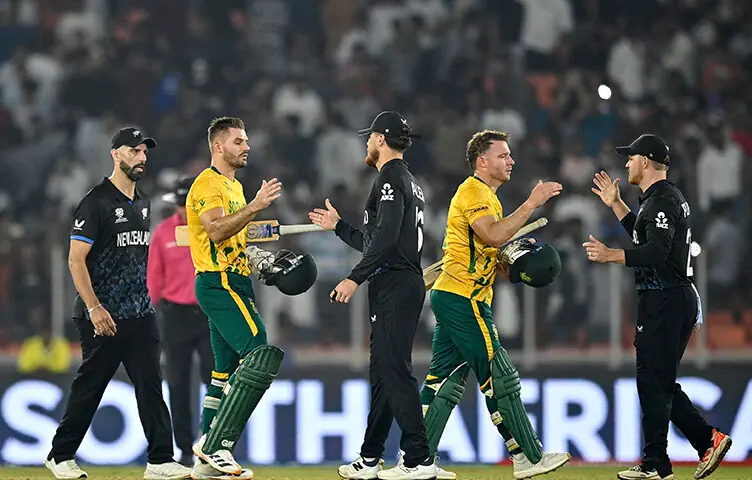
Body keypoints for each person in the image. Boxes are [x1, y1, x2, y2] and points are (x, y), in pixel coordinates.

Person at [416, 130, 570, 480]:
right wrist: (531, 204)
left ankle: (416, 461)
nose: (511, 160)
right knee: (500, 376)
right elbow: (493, 234)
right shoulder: (475, 191)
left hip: (455, 293)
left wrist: (505, 264)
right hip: (463, 298)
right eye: (503, 155)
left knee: (444, 382)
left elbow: (485, 247)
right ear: (481, 161)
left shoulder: (485, 195)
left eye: (510, 155)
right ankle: (529, 456)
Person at [583, 134, 732, 480]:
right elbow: (645, 237)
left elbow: (656, 252)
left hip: (665, 297)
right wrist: (617, 205)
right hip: (668, 296)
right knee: (657, 380)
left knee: (654, 380)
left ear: (646, 161)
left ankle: (692, 445)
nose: (626, 164)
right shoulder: (659, 199)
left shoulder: (662, 199)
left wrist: (611, 256)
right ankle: (662, 460)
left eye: (631, 158)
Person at [46, 127, 192, 480]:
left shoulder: (142, 202)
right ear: (115, 154)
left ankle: (160, 460)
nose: (141, 158)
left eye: (144, 152)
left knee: (151, 386)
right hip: (104, 315)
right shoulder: (96, 201)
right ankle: (60, 455)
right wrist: (95, 308)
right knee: (91, 387)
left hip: (140, 312)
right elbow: (75, 260)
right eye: (134, 151)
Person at [309, 111, 437, 480]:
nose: (366, 143)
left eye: (370, 137)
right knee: (382, 372)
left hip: (394, 282)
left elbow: (384, 240)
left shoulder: (390, 177)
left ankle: (418, 458)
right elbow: (376, 240)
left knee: (394, 370)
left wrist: (354, 278)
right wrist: (338, 228)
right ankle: (369, 458)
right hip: (396, 280)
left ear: (381, 139)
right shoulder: (406, 180)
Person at [185, 117, 284, 479]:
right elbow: (214, 231)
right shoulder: (209, 184)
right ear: (218, 146)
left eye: (246, 141)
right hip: (220, 282)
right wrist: (256, 206)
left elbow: (232, 236)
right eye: (239, 141)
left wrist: (254, 256)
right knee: (259, 353)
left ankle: (204, 459)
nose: (246, 146)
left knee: (223, 372)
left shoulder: (233, 186)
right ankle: (217, 445)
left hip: (234, 279)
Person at [147, 176, 214, 466]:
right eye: (183, 205)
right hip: (175, 314)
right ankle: (186, 449)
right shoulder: (163, 234)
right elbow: (154, 279)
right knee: (177, 383)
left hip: (209, 311)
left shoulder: (214, 229)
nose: (186, 211)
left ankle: (213, 445)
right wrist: (146, 317)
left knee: (216, 381)